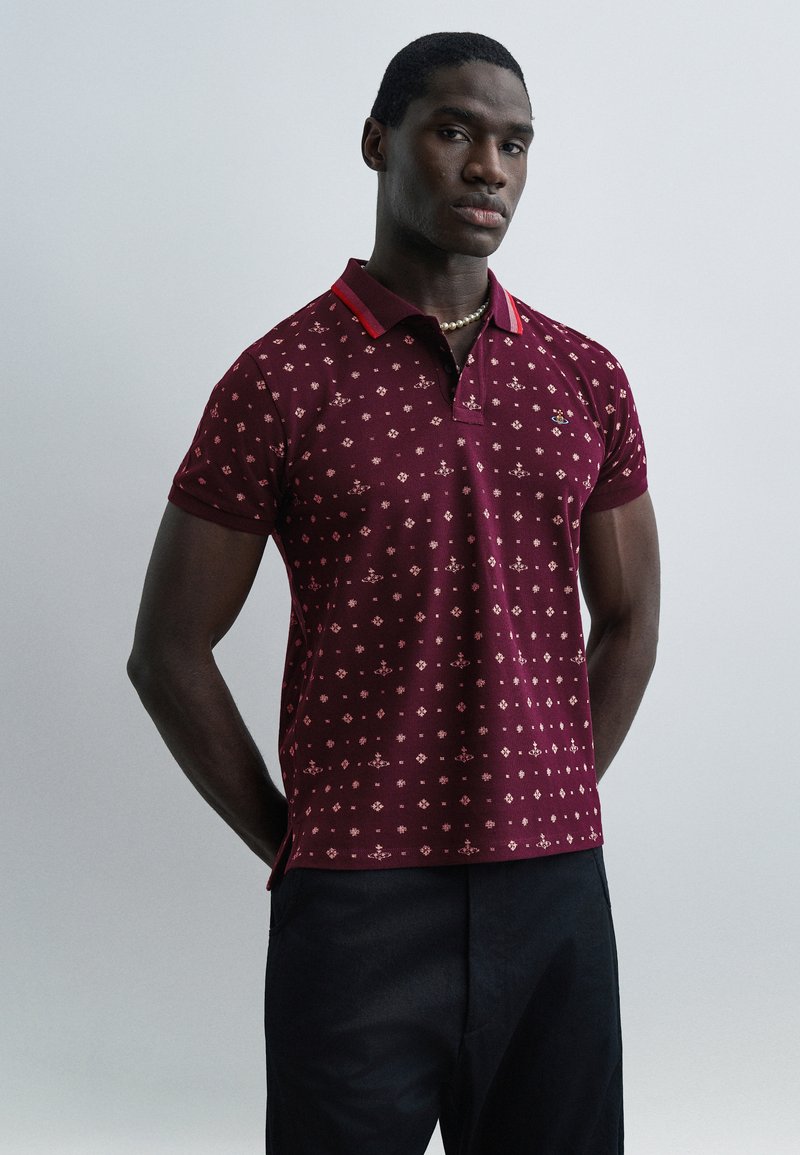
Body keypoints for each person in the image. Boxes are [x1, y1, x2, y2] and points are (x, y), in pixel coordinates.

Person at [128, 31, 659, 1155]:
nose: (489, 168)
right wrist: (293, 841)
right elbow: (168, 649)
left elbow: (628, 620)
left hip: (554, 898)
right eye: (454, 131)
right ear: (377, 141)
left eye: (514, 143)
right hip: (357, 908)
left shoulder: (583, 376)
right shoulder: (279, 379)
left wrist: (552, 784)